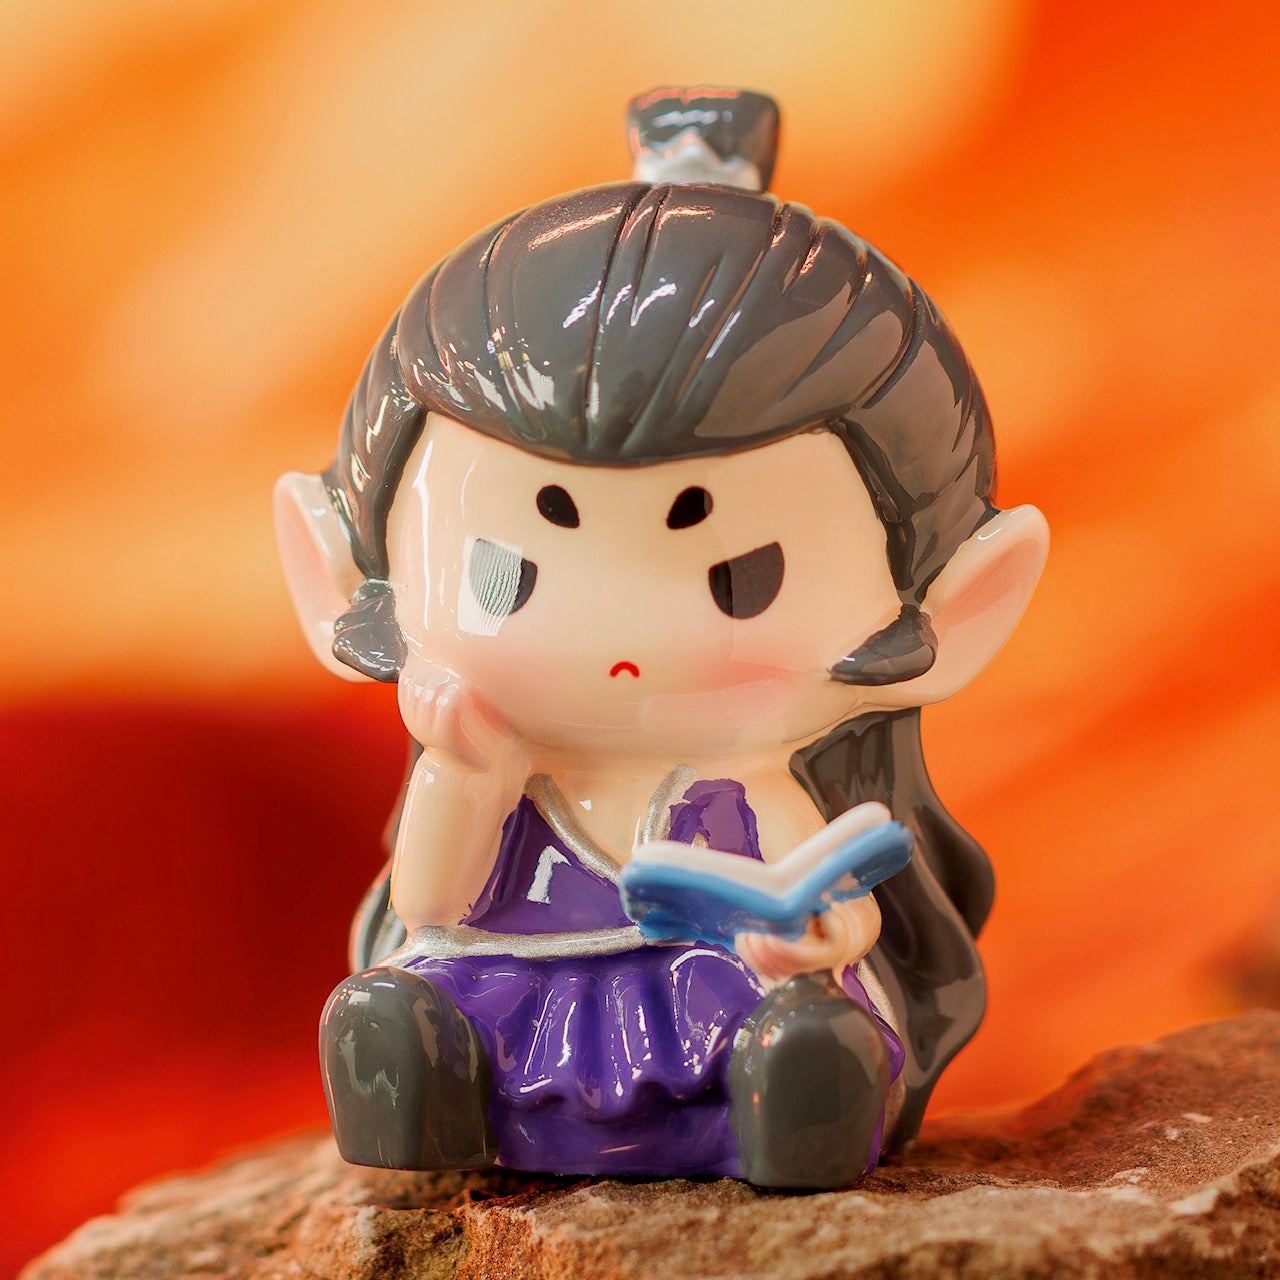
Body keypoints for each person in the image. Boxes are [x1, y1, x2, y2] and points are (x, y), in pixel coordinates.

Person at [275, 87, 1048, 1188]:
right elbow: (432, 903)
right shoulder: (502, 769)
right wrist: (463, 772)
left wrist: (811, 940)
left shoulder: (747, 785)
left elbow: (826, 899)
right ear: (346, 584)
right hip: (518, 982)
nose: (614, 633)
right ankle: (418, 1083)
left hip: (705, 993)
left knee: (794, 1022)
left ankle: (797, 1092)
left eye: (739, 579)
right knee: (408, 991)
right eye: (508, 576)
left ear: (950, 610)